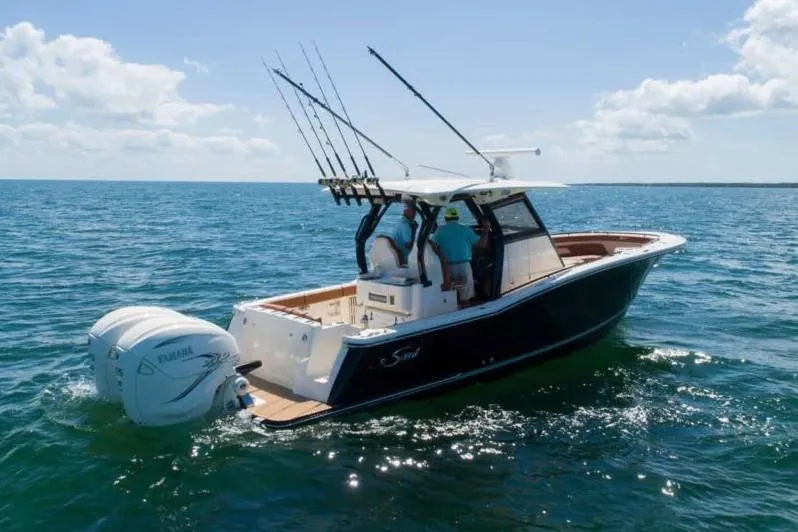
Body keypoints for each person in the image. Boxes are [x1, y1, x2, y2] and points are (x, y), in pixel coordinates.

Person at [431, 206, 490, 305]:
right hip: (464, 266)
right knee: (465, 296)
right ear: (457, 218)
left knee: (449, 295)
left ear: (446, 218)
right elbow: (482, 244)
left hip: (447, 268)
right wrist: (486, 230)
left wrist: (441, 256)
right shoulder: (465, 229)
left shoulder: (439, 230)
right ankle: (466, 312)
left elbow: (433, 245)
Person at [392, 199, 418, 265]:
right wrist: (414, 230)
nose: (415, 214)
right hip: (406, 261)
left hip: (398, 259)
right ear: (406, 211)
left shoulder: (400, 221)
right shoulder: (406, 225)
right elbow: (409, 246)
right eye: (413, 211)